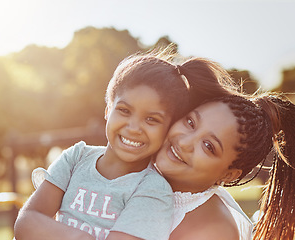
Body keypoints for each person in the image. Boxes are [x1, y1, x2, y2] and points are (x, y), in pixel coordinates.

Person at [14, 49, 236, 240]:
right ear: (107, 110)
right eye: (124, 111)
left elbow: (36, 225)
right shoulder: (76, 157)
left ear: (167, 129)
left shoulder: (154, 190)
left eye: (152, 119)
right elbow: (25, 223)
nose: (133, 128)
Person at [155, 93, 295, 240]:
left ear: (228, 175)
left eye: (208, 146)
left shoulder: (211, 231)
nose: (184, 142)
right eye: (191, 123)